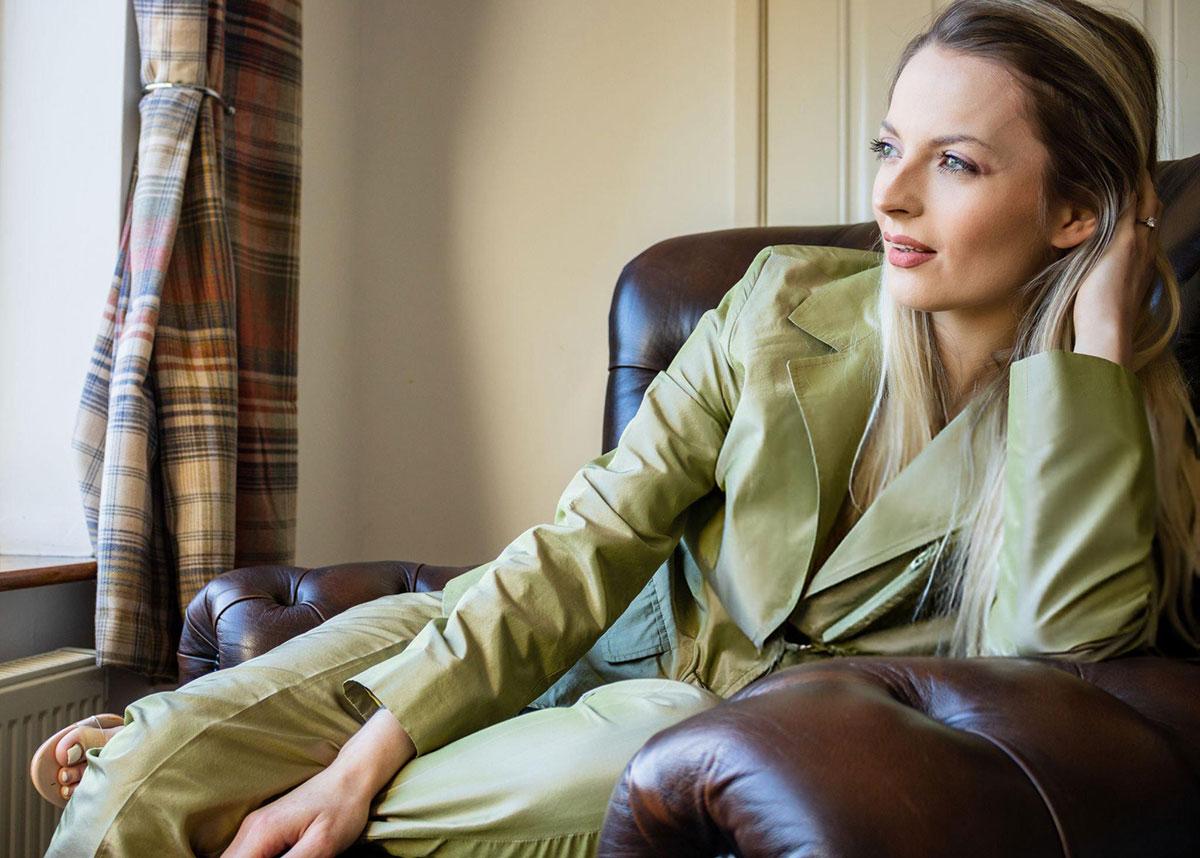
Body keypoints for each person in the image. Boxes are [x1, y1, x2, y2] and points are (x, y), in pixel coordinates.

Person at [38, 0, 1200, 854]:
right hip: (537, 644)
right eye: (889, 147)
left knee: (323, 806)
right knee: (141, 777)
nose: (891, 198)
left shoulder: (1108, 435)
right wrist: (352, 746)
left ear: (1076, 209)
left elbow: (1054, 698)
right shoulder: (782, 303)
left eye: (954, 162)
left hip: (684, 739)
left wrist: (1090, 353)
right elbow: (589, 540)